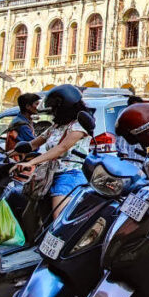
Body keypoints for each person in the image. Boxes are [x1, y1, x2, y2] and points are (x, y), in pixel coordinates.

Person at [14, 85, 92, 218]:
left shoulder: (79, 126)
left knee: (59, 217)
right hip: (49, 175)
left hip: (69, 175)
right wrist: (10, 153)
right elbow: (34, 143)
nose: (53, 112)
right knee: (28, 216)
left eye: (55, 108)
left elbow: (61, 148)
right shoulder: (56, 127)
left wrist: (31, 162)